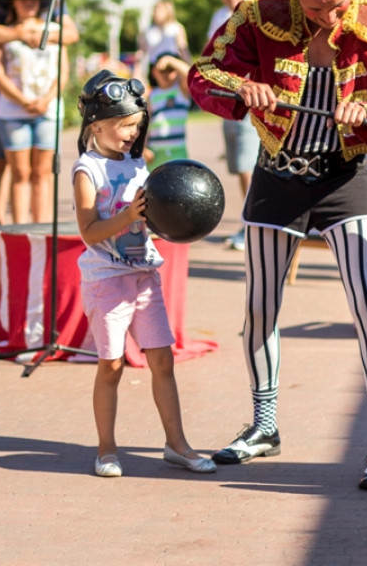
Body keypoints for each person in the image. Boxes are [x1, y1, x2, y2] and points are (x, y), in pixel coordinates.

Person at [188, 0, 367, 490]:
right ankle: (265, 424)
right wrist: (242, 88)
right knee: (260, 305)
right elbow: (203, 74)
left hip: (344, 178)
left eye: (338, 4)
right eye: (316, 8)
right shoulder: (257, 13)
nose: (330, 17)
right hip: (277, 174)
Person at [73, 68, 216, 479]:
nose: (132, 134)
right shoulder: (88, 171)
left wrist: (166, 224)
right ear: (96, 125)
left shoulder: (139, 165)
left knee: (162, 363)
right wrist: (127, 216)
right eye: (124, 126)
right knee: (111, 366)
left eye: (137, 125)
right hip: (107, 281)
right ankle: (106, 449)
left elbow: (148, 220)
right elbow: (89, 231)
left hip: (144, 279)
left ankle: (178, 445)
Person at [0, 0, 78, 248]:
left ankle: (39, 228)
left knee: (40, 171)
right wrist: (18, 32)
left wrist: (40, 32)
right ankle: (1, 228)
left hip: (44, 101)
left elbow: (70, 33)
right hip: (8, 96)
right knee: (1, 161)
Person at [0, 0, 69, 224]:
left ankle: (41, 226)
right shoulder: (4, 33)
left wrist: (46, 99)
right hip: (13, 111)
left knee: (42, 173)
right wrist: (22, 100)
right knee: (20, 172)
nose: (29, 3)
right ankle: (20, 228)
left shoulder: (55, 31)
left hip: (48, 110)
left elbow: (62, 70)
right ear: (13, 2)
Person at [207, 0, 260, 251]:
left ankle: (252, 224)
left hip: (256, 102)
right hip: (231, 101)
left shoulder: (260, 12)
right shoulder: (220, 18)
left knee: (250, 166)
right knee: (241, 167)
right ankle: (251, 220)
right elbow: (213, 59)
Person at [144, 52, 192, 170]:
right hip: (155, 153)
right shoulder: (152, 95)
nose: (166, 74)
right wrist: (143, 147)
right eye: (162, 71)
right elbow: (146, 123)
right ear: (154, 72)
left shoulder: (181, 91)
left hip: (178, 151)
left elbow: (191, 75)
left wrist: (170, 61)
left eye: (170, 70)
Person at [138, 0, 190, 82]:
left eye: (160, 9)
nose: (156, 11)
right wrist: (137, 74)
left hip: (172, 69)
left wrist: (188, 68)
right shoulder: (147, 31)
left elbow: (183, 50)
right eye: (155, 9)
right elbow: (141, 54)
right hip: (154, 69)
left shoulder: (176, 28)